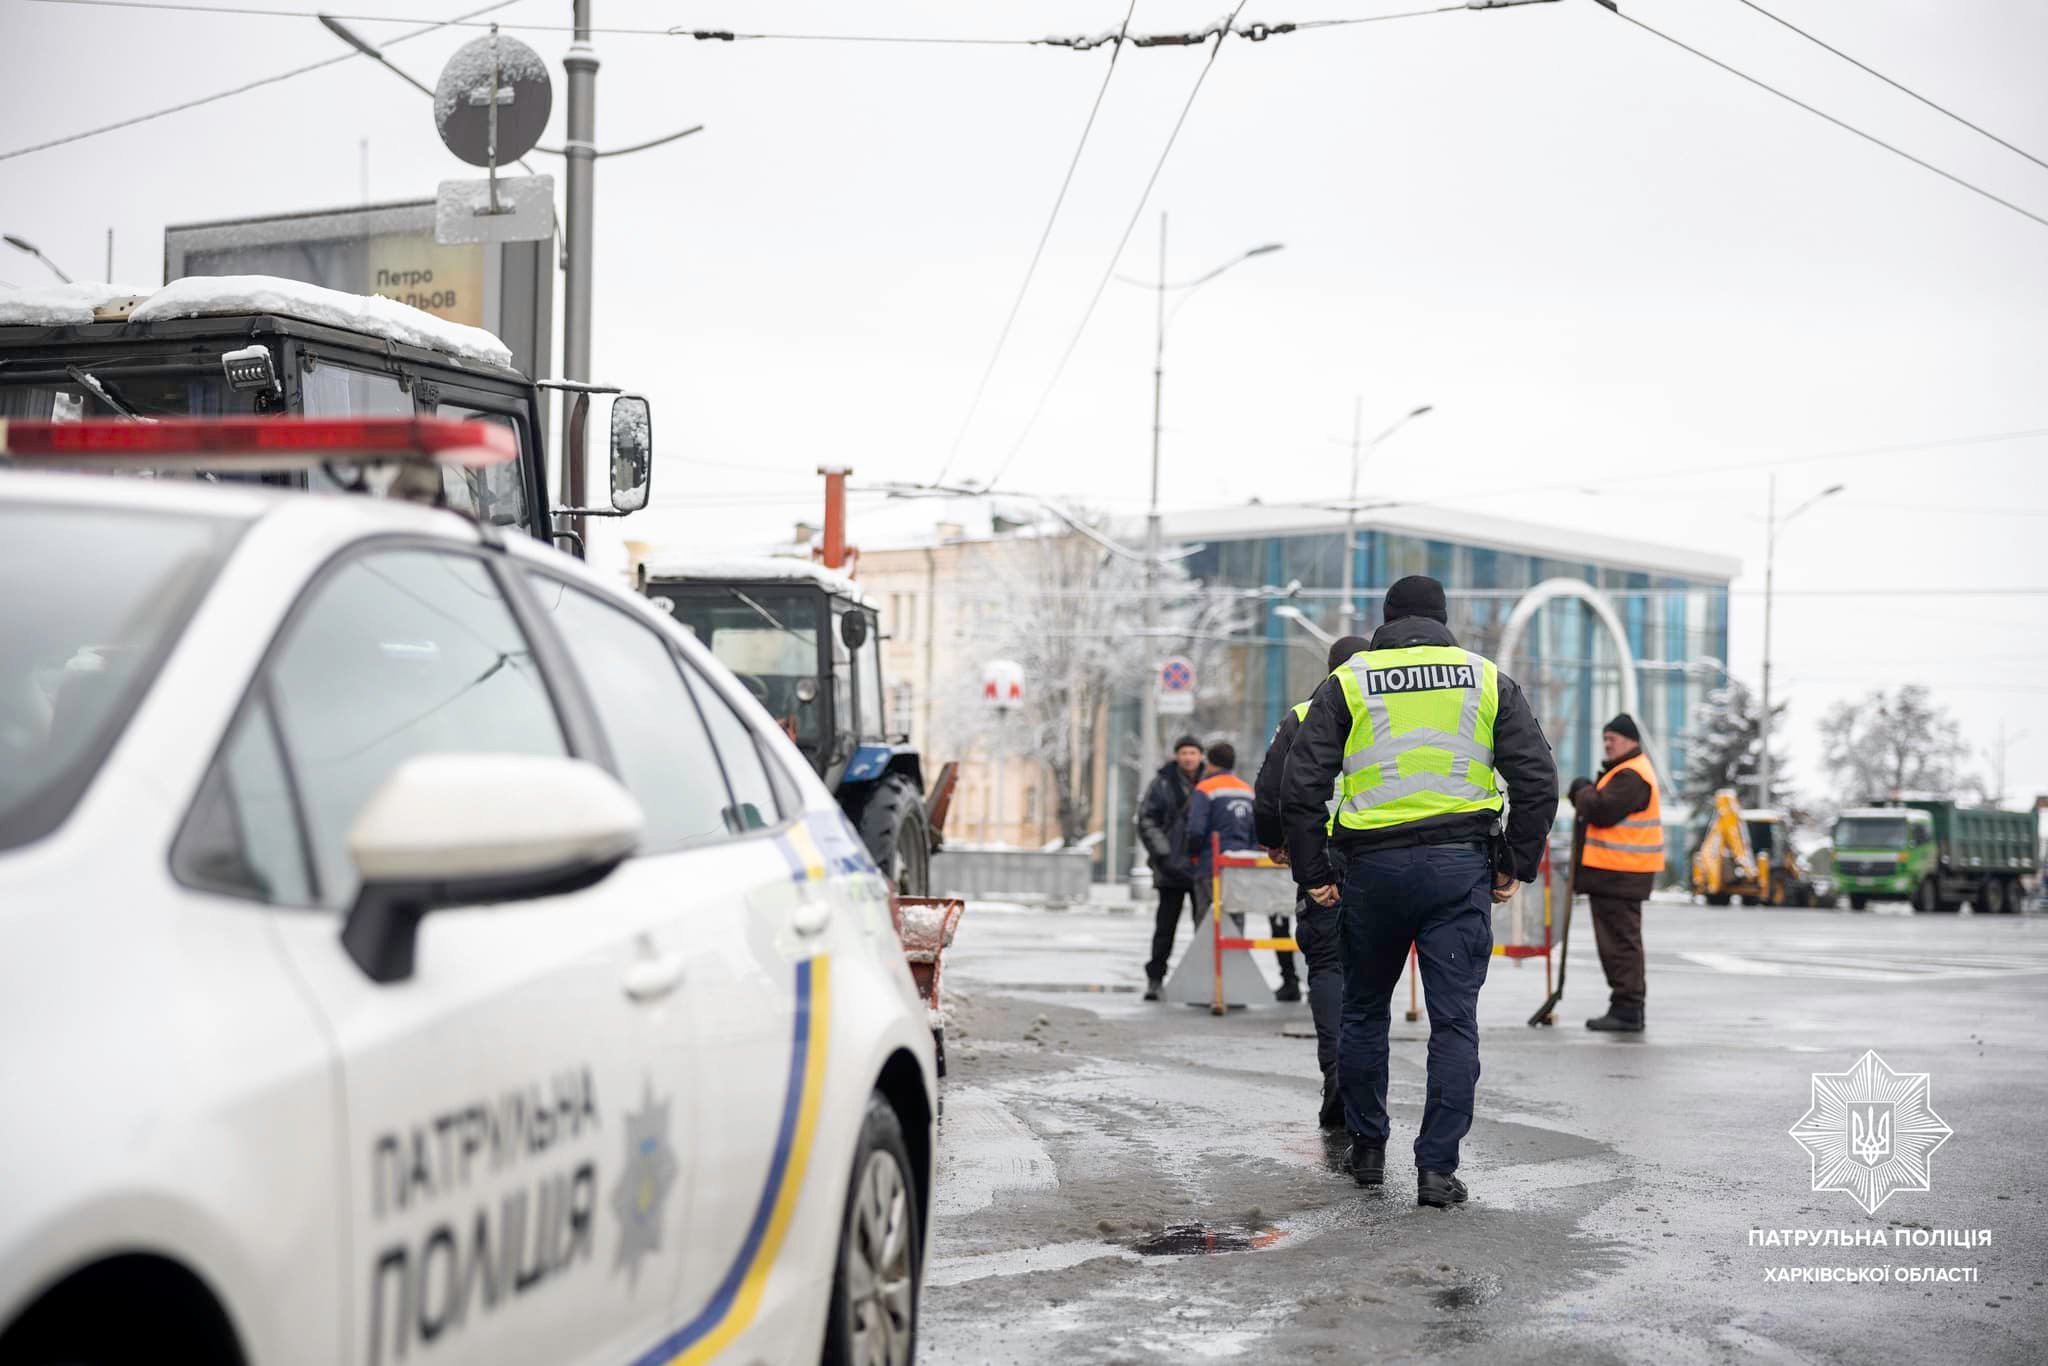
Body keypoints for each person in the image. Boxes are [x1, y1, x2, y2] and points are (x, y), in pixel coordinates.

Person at [1282, 575, 1559, 1209]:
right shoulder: (1486, 679)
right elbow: (1538, 777)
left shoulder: (1350, 681)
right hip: (1459, 869)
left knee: (1363, 1011)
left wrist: (1314, 873)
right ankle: (1437, 1170)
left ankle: (1367, 1150)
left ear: (1386, 620)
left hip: (1372, 870)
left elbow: (1301, 785)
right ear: (1442, 618)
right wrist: (1514, 862)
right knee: (1454, 1021)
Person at [1255, 633, 1370, 1125]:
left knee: (1326, 965)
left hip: (1320, 853)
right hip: (1376, 850)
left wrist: (1275, 840)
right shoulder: (1386, 711)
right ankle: (1367, 1088)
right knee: (1371, 970)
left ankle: (1337, 1074)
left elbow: (1271, 789)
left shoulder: (1303, 715)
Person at [1569, 714, 1664, 1033]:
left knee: (1620, 944)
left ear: (1631, 741)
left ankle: (1628, 1008)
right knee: (1618, 943)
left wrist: (1582, 790)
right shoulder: (1625, 772)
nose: (1607, 744)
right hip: (1616, 873)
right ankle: (1625, 1006)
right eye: (1605, 739)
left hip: (1620, 873)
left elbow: (1601, 810)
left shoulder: (1631, 775)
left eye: (1613, 739)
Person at [1138, 735, 1207, 1000]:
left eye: (1193, 752)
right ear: (1176, 756)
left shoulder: (1210, 781)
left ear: (1201, 755)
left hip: (1201, 867)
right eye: (1184, 753)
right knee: (1165, 928)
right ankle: (1155, 979)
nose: (1188, 757)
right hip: (1170, 868)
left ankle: (1204, 982)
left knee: (1204, 928)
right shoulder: (1162, 783)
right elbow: (1146, 820)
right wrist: (1163, 853)